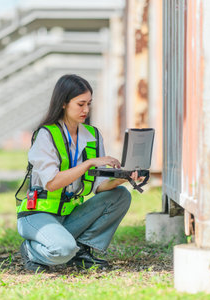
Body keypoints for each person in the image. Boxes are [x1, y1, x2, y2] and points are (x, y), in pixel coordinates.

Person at [16, 74, 141, 272]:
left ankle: (82, 249)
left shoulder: (92, 135)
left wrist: (123, 178)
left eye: (89, 104)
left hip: (70, 214)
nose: (86, 110)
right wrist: (89, 163)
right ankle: (31, 251)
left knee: (120, 196)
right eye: (80, 104)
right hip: (38, 214)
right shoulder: (46, 135)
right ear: (64, 103)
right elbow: (52, 183)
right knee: (62, 250)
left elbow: (100, 188)